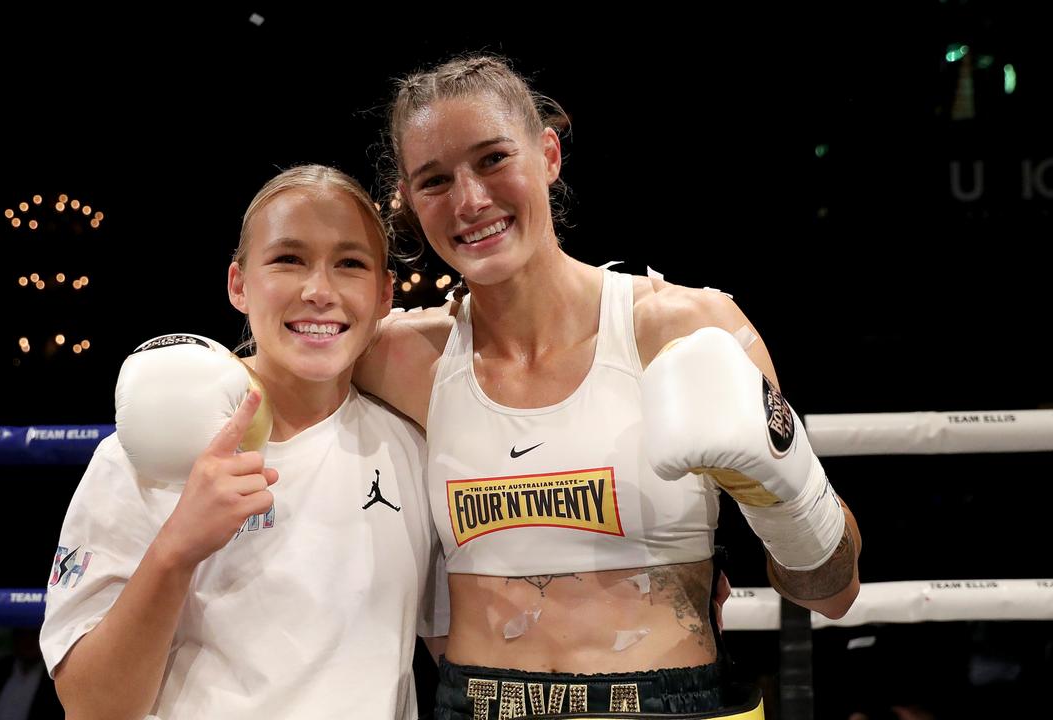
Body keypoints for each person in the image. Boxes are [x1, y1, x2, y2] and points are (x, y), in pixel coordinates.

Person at [352, 54, 862, 717]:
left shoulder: (682, 329)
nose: (470, 200)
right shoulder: (402, 358)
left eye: (492, 160)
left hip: (669, 701)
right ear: (413, 204)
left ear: (549, 155)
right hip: (476, 702)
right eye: (435, 180)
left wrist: (784, 493)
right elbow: (254, 375)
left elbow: (833, 594)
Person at [40, 165, 448, 719]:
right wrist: (175, 550)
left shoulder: (411, 448)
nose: (319, 291)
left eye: (349, 264)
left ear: (383, 295)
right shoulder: (144, 457)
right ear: (239, 284)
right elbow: (91, 706)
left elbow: (457, 649)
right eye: (288, 259)